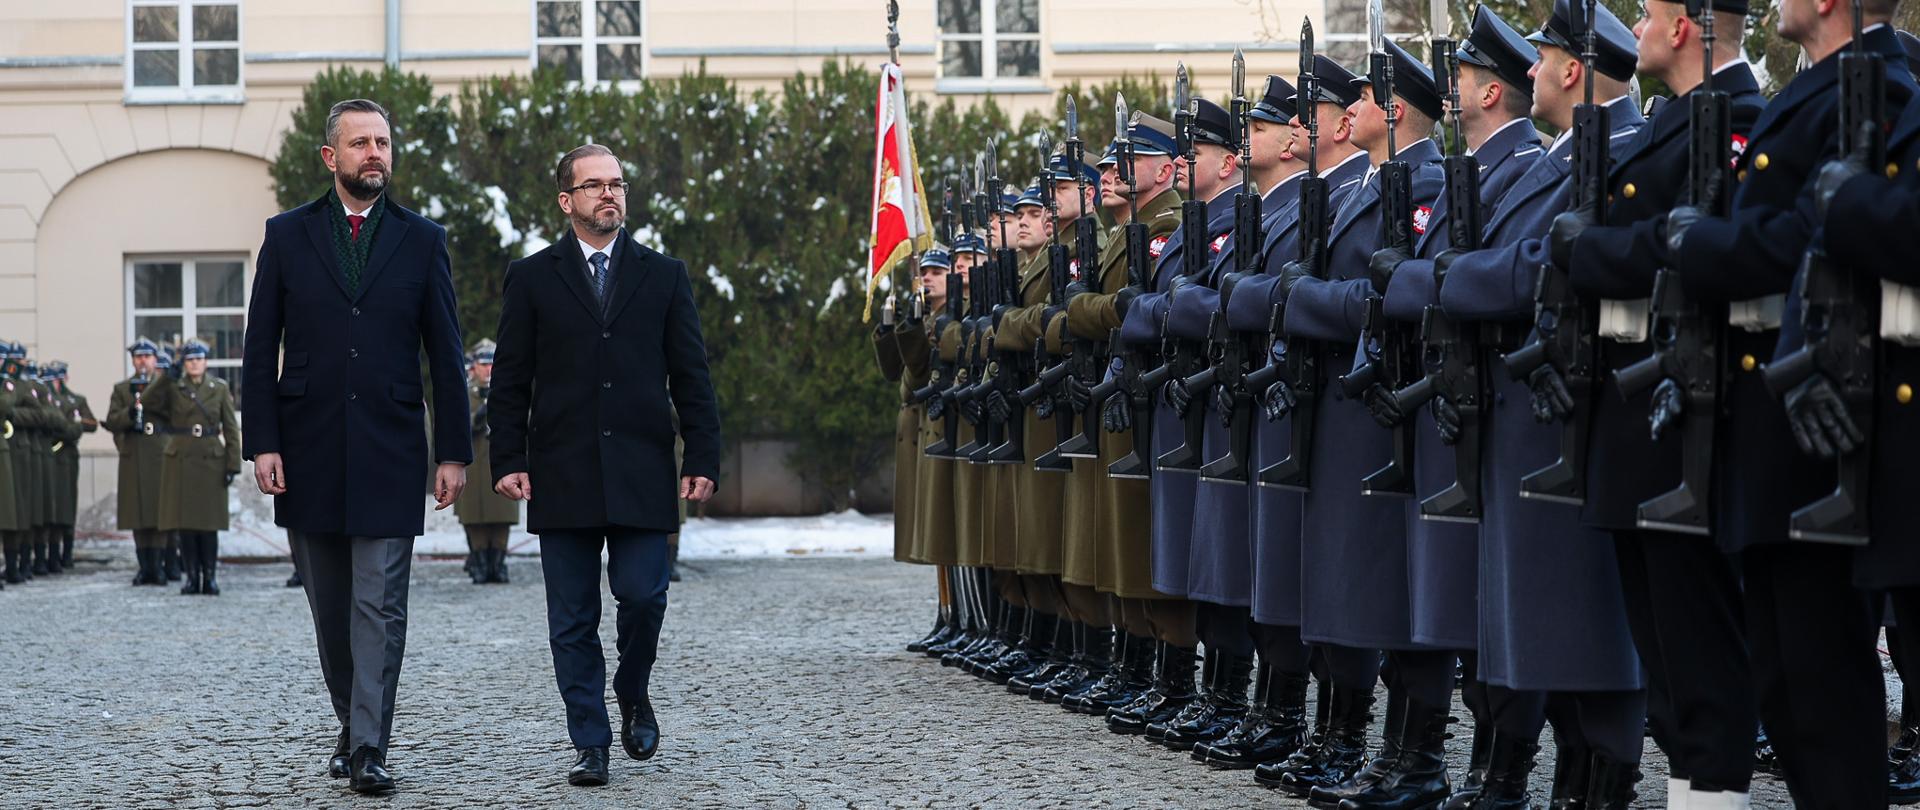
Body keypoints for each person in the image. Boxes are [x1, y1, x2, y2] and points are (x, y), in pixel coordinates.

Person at [240, 98, 471, 795]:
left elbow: (445, 349)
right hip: (306, 449)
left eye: (383, 142)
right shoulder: (286, 236)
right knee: (331, 608)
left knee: (379, 604)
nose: (375, 154)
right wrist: (262, 443)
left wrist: (453, 451)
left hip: (392, 446)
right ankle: (352, 720)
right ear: (330, 157)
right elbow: (258, 349)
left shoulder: (423, 239)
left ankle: (370, 746)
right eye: (361, 143)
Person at [488, 142, 721, 788]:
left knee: (644, 596)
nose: (609, 195)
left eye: (616, 183)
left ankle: (633, 688)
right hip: (561, 472)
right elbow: (510, 380)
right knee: (572, 620)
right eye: (594, 186)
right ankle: (590, 741)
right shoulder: (532, 278)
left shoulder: (663, 275)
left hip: (644, 469)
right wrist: (507, 457)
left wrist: (702, 453)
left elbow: (692, 375)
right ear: (567, 201)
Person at [143, 340, 240, 596]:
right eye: (189, 360)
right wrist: (165, 379)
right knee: (185, 524)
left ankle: (210, 577)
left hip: (210, 458)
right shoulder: (175, 386)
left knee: (209, 524)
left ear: (206, 361)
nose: (194, 363)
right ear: (183, 363)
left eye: (198, 359)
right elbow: (148, 403)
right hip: (181, 458)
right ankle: (191, 577)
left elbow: (230, 427)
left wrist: (233, 463)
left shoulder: (218, 388)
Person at [106, 339, 171, 585]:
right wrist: (129, 413)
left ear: (155, 359)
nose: (143, 361)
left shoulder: (165, 387)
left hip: (158, 452)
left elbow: (174, 413)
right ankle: (144, 567)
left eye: (147, 356)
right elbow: (112, 420)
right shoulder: (123, 389)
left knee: (159, 513)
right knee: (137, 514)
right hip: (133, 454)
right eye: (138, 357)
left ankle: (159, 566)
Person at [456, 339, 517, 584]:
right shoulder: (466, 392)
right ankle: (480, 561)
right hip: (473, 467)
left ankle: (498, 563)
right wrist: (477, 416)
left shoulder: (505, 389)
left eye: (492, 363)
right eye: (483, 364)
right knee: (475, 518)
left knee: (501, 517)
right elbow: (455, 424)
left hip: (499, 463)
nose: (488, 369)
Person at [45, 361, 96, 571]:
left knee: (67, 504)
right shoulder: (44, 398)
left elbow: (91, 423)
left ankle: (66, 553)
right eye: (52, 379)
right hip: (49, 454)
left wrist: (74, 427)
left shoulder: (76, 399)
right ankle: (52, 553)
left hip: (67, 455)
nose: (56, 383)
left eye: (59, 378)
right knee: (51, 505)